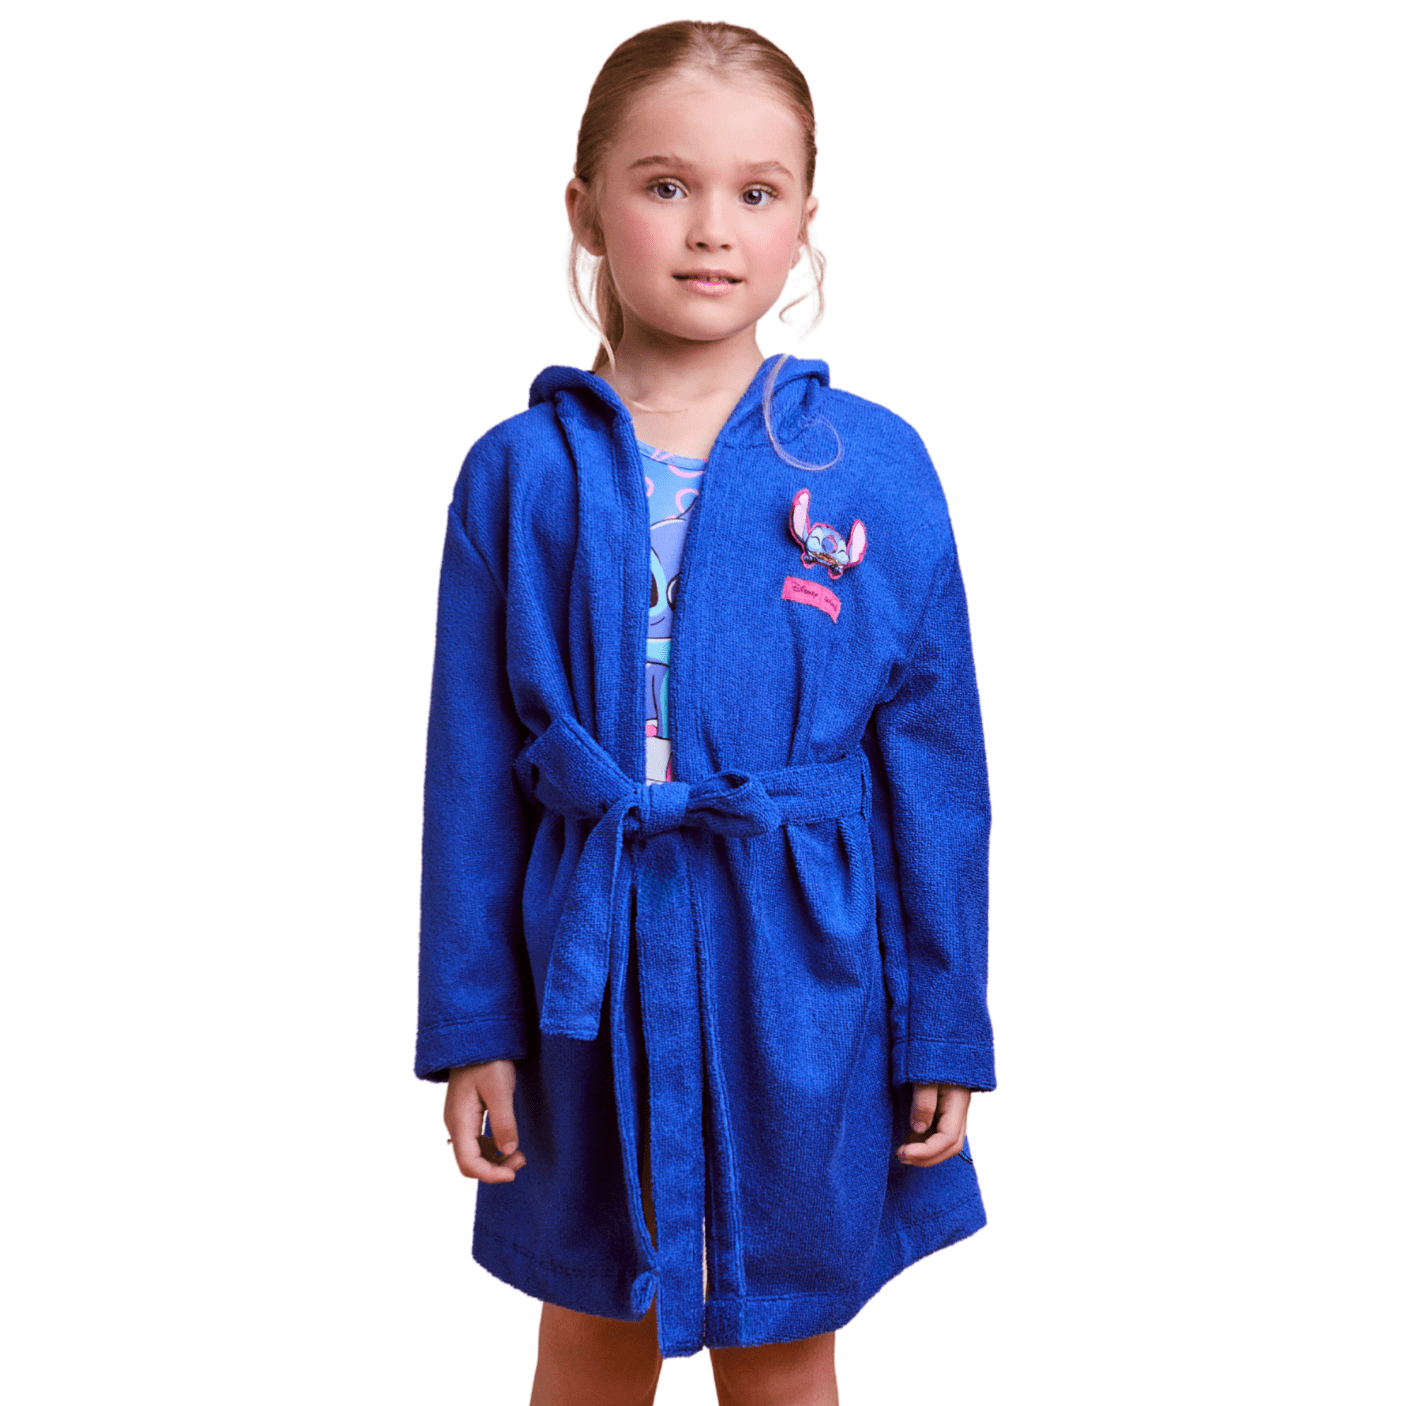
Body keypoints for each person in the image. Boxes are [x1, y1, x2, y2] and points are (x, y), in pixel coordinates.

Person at [415, 20, 996, 1404]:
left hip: (803, 972)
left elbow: (934, 769)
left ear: (805, 219)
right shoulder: (518, 473)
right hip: (587, 969)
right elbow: (470, 770)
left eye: (757, 191)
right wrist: (473, 1023)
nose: (711, 229)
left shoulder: (870, 467)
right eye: (666, 185)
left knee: (783, 1337)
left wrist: (943, 1020)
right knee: (588, 1328)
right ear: (584, 209)